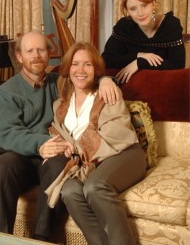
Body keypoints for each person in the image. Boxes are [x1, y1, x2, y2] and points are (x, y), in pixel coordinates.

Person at [0, 31, 120, 244]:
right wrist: (40, 145)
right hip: (19, 157)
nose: (36, 55)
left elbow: (85, 77)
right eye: (30, 51)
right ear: (20, 57)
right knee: (1, 167)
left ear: (49, 54)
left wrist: (105, 79)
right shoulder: (6, 92)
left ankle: (41, 239)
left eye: (41, 49)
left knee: (60, 165)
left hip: (53, 157)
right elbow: (7, 134)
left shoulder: (59, 83)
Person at [45, 42, 146, 245]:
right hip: (90, 165)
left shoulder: (107, 93)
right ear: (67, 69)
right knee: (69, 190)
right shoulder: (60, 105)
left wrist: (78, 148)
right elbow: (58, 135)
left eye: (87, 65)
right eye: (75, 64)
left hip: (125, 154)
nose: (80, 70)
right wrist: (64, 147)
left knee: (95, 187)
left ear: (96, 70)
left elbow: (118, 134)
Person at [102, 0, 186, 83]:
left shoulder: (170, 25)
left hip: (163, 85)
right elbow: (106, 59)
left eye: (144, 5)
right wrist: (138, 55)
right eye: (133, 9)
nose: (140, 13)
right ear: (127, 11)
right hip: (132, 86)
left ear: (153, 4)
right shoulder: (124, 27)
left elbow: (177, 64)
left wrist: (140, 62)